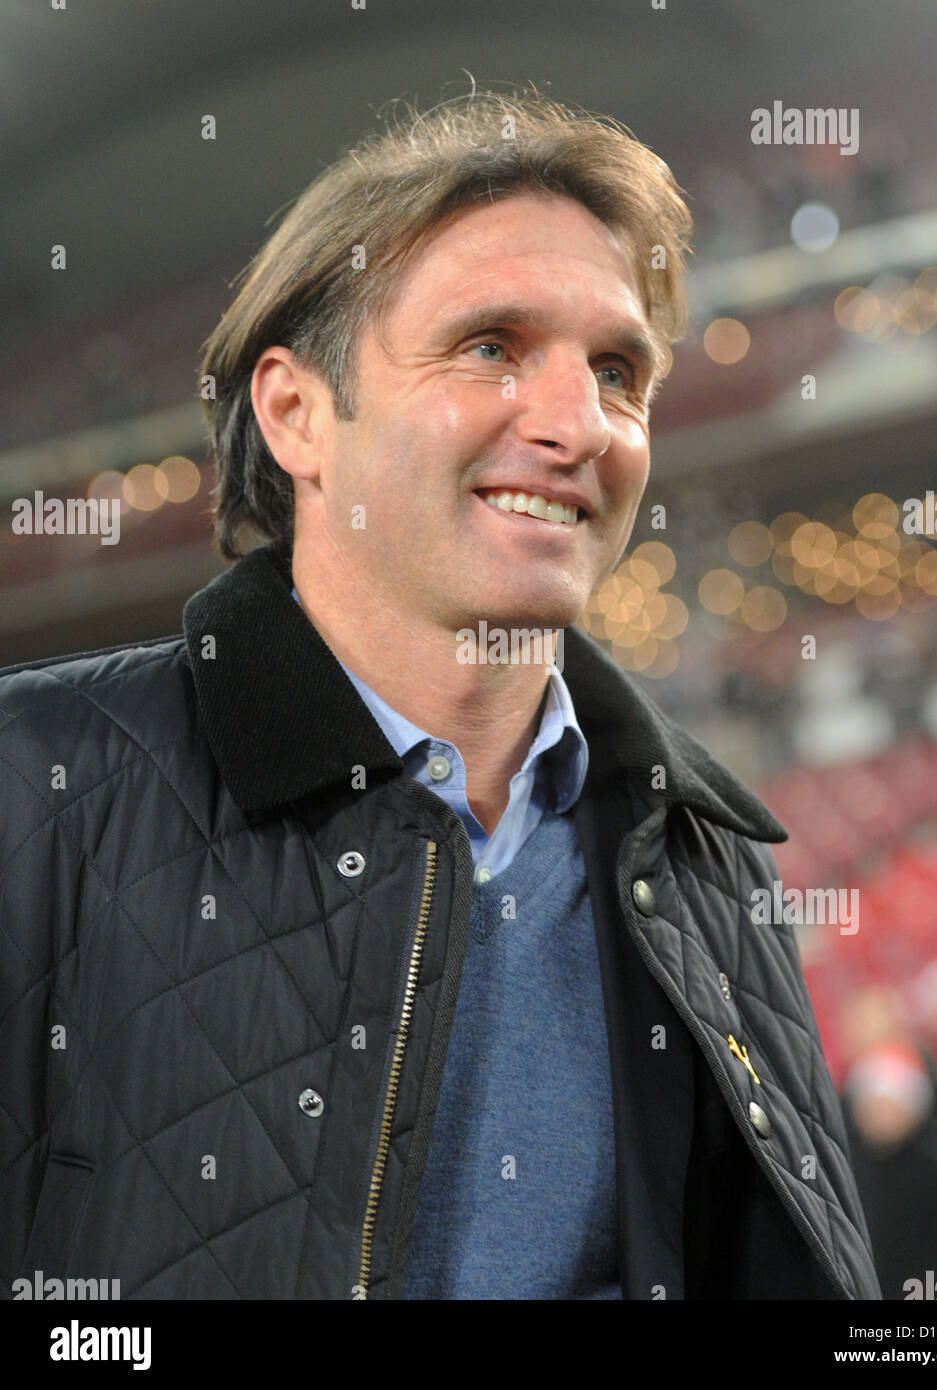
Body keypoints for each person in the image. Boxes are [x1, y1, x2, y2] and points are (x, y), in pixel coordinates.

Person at [0, 87, 880, 1300]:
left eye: (617, 370)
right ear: (296, 412)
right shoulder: (30, 786)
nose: (578, 425)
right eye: (489, 347)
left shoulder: (700, 857)